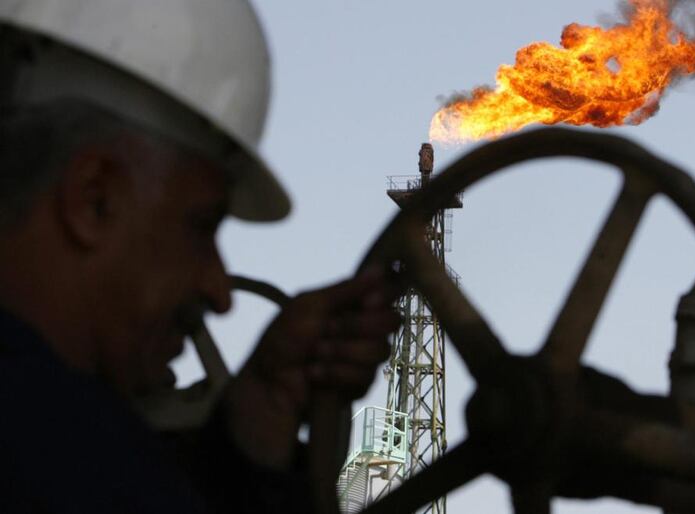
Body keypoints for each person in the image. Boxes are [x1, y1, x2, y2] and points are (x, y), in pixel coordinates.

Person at [0, 1, 400, 512]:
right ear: (94, 199)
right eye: (200, 227)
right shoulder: (71, 463)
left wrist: (259, 415)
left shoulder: (61, 449)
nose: (219, 289)